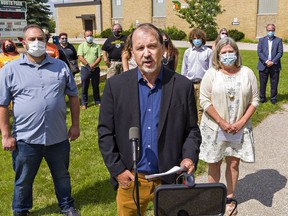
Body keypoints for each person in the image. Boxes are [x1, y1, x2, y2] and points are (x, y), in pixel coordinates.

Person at [98, 23, 201, 215]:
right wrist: (118, 170)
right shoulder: (115, 86)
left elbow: (192, 130)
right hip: (132, 179)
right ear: (132, 53)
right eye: (140, 48)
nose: (147, 53)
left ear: (162, 48)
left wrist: (188, 156)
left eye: (152, 46)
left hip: (171, 178)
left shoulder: (182, 86)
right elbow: (105, 133)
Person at [0, 24, 80, 216]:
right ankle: (20, 210)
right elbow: (2, 104)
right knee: (24, 179)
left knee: (62, 176)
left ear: (46, 41)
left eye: (40, 39)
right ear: (24, 42)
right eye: (32, 39)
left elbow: (74, 96)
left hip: (58, 136)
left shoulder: (60, 66)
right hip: (26, 139)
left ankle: (67, 205)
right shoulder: (10, 70)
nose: (37, 42)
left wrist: (75, 125)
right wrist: (6, 135)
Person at [199, 37, 259, 216]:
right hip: (216, 127)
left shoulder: (247, 73)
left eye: (230, 51)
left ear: (236, 53)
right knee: (214, 163)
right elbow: (204, 100)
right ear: (217, 55)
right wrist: (222, 122)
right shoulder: (211, 74)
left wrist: (240, 123)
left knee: (233, 163)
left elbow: (255, 100)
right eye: (223, 52)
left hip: (238, 128)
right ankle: (213, 198)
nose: (227, 55)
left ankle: (230, 198)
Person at [181, 28, 212, 123]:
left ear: (202, 39)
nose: (196, 40)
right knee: (190, 105)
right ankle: (191, 124)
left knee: (201, 106)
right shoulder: (188, 52)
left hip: (202, 83)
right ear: (191, 39)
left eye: (198, 38)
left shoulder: (208, 52)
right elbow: (184, 68)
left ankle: (201, 125)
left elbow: (211, 69)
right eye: (194, 38)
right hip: (190, 83)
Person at [257, 23, 283, 104]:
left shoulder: (278, 40)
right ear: (266, 30)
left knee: (274, 83)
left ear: (274, 30)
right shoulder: (261, 40)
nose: (270, 31)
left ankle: (273, 98)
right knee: (262, 83)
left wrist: (273, 61)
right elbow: (259, 52)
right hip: (263, 65)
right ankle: (262, 98)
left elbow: (280, 52)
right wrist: (266, 61)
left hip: (275, 65)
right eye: (269, 30)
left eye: (272, 30)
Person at [77, 30, 102, 110]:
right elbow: (80, 57)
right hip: (85, 69)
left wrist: (93, 65)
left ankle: (97, 101)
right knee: (84, 86)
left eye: (91, 35)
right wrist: (88, 66)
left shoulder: (97, 46)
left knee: (96, 86)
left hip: (95, 69)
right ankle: (84, 103)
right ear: (84, 37)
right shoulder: (81, 46)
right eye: (87, 36)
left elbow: (99, 57)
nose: (89, 37)